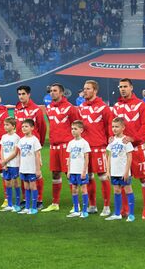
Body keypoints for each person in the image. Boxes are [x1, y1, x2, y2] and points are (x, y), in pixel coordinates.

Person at [112, 78, 145, 219]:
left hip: (137, 148)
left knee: (143, 179)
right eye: (120, 86)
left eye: (125, 86)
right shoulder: (116, 106)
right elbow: (113, 126)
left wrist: (134, 139)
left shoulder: (140, 105)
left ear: (131, 88)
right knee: (123, 179)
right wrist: (112, 136)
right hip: (121, 151)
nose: (122, 89)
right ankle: (125, 209)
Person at [79, 80, 113, 216]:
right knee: (88, 177)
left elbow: (109, 125)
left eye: (88, 88)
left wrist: (107, 140)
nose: (85, 91)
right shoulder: (80, 107)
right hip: (84, 148)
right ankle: (92, 205)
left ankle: (106, 206)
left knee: (103, 176)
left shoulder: (103, 107)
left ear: (95, 91)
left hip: (98, 146)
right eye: (84, 88)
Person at [44, 83, 79, 212]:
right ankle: (55, 203)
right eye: (51, 91)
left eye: (55, 91)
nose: (52, 93)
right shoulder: (49, 108)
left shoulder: (70, 108)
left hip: (67, 146)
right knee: (55, 173)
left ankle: (76, 205)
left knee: (69, 174)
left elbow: (77, 125)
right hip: (54, 146)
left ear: (62, 93)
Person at [10, 85, 46, 209]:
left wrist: (38, 144)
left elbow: (42, 127)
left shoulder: (36, 109)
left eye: (23, 94)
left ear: (29, 94)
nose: (21, 96)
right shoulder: (17, 109)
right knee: (23, 172)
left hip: (33, 146)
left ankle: (39, 200)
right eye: (19, 94)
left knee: (37, 174)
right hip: (21, 146)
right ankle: (26, 199)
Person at [105, 117, 135, 222]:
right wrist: (108, 170)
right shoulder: (112, 140)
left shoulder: (126, 140)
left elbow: (129, 156)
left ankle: (131, 214)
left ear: (123, 128)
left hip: (124, 171)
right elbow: (109, 156)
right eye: (113, 126)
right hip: (114, 172)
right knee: (116, 190)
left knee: (128, 190)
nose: (114, 129)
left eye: (117, 127)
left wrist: (127, 171)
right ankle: (117, 213)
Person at [17, 119, 42, 215]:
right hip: (24, 167)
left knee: (33, 186)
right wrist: (20, 167)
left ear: (32, 128)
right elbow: (20, 154)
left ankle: (34, 207)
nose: (23, 128)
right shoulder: (21, 140)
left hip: (32, 168)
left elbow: (37, 155)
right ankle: (27, 207)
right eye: (22, 126)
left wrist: (38, 169)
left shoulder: (34, 140)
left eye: (26, 126)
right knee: (26, 187)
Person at [66, 120, 91, 218]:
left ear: (81, 130)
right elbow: (69, 157)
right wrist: (68, 170)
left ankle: (85, 211)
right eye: (72, 129)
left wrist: (84, 171)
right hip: (73, 171)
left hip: (81, 171)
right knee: (74, 189)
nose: (73, 131)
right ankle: (76, 210)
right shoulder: (71, 143)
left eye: (75, 129)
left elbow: (86, 158)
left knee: (84, 189)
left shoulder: (84, 143)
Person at [0, 117, 21, 212]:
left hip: (14, 164)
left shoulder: (16, 137)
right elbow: (2, 150)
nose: (5, 126)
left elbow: (15, 152)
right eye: (4, 124)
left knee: (15, 183)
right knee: (7, 183)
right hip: (6, 164)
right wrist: (3, 162)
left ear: (13, 126)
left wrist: (5, 161)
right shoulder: (4, 137)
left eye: (7, 125)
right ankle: (9, 204)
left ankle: (17, 205)